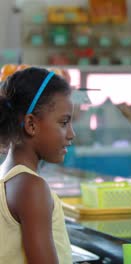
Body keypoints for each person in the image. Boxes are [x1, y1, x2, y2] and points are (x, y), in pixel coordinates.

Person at [0, 67, 75, 263]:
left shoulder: (6, 175)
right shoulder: (31, 187)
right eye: (64, 122)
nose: (71, 134)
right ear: (31, 125)